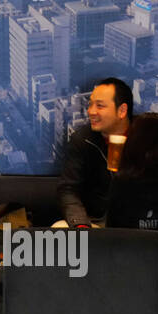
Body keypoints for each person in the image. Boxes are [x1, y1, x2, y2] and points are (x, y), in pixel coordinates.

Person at [56, 77, 133, 228]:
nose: (91, 111)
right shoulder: (82, 139)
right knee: (59, 229)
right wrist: (80, 224)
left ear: (122, 110)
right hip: (96, 221)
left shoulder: (147, 132)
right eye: (90, 105)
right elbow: (68, 189)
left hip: (139, 222)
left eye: (100, 106)